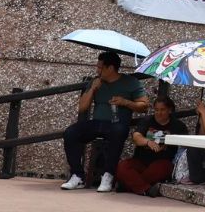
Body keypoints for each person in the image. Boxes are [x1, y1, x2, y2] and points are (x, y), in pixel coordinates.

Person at [61, 51, 149, 193]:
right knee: (71, 133)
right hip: (96, 122)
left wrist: (125, 102)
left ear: (110, 68)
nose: (98, 70)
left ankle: (108, 175)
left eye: (100, 67)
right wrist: (92, 89)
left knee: (118, 132)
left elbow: (144, 106)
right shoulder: (96, 82)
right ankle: (77, 175)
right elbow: (82, 107)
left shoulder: (131, 82)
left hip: (117, 124)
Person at [116, 96, 187, 196]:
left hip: (162, 162)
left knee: (162, 168)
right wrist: (148, 142)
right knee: (122, 166)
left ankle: (129, 185)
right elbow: (136, 137)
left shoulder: (178, 126)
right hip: (141, 161)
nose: (159, 113)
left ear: (169, 110)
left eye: (162, 110)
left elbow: (183, 147)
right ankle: (146, 188)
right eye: (156, 110)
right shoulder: (147, 121)